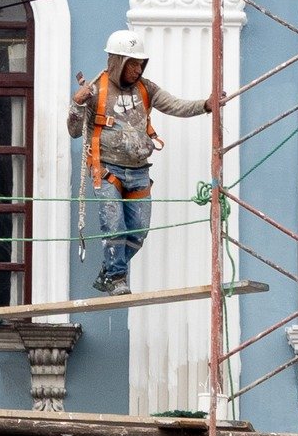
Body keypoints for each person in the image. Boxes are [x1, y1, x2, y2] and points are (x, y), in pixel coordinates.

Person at [66, 29, 215, 296]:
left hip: (139, 171)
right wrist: (77, 105)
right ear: (117, 61)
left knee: (138, 232)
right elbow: (75, 131)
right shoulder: (95, 91)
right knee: (114, 226)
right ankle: (117, 278)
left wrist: (205, 105)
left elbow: (175, 105)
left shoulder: (147, 89)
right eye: (132, 64)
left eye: (140, 64)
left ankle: (109, 271)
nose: (137, 70)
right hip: (106, 169)